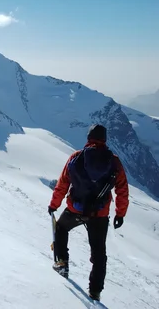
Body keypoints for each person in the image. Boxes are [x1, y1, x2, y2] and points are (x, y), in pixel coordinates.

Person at [48, 124, 129, 301]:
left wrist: (54, 205)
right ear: (105, 139)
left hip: (76, 208)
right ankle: (95, 291)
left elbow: (63, 184)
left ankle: (61, 263)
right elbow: (122, 189)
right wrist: (120, 213)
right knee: (99, 253)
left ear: (88, 137)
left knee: (61, 228)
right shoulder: (113, 161)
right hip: (99, 214)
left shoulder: (76, 157)